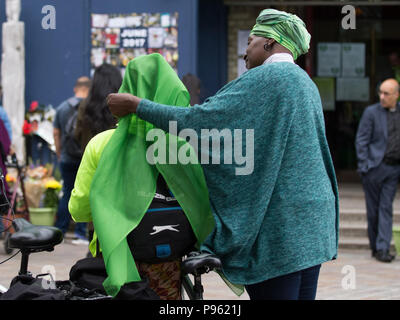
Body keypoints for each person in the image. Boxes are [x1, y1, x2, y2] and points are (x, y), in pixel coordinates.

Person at [106, 9, 339, 300]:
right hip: (313, 221)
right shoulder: (305, 83)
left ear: (270, 42)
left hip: (281, 229)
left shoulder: (268, 78)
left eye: (250, 41)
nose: (245, 52)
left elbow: (201, 123)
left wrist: (137, 105)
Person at [69, 54, 215, 299]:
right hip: (170, 259)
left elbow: (80, 210)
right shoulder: (186, 146)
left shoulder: (101, 145)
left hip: (116, 259)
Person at [74, 63, 122, 250]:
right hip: (118, 166)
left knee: (95, 217)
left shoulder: (85, 106)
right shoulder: (122, 106)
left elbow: (77, 135)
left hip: (92, 165)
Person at [355, 78, 400, 263]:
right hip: (374, 168)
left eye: (386, 94)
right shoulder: (371, 112)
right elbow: (362, 140)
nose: (382, 97)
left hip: (393, 169)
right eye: (380, 93)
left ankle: (382, 248)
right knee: (373, 211)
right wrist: (364, 165)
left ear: (396, 95)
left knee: (386, 208)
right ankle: (375, 246)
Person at [53, 76, 90, 245]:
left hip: (67, 157)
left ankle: (60, 231)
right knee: (84, 193)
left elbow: (56, 133)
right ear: (89, 89)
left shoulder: (62, 107)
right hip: (85, 157)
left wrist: (60, 153)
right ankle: (80, 234)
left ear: (76, 88)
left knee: (67, 192)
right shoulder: (91, 107)